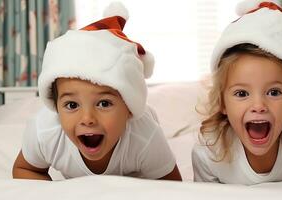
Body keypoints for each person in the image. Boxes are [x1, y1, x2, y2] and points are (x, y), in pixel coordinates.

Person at [12, 2, 182, 181]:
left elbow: (171, 185)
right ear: (56, 108)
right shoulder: (45, 131)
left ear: (129, 108)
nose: (87, 119)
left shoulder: (145, 137)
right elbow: (26, 169)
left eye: (104, 103)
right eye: (71, 105)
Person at [192, 0, 282, 185]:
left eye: (274, 92)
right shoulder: (209, 151)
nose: (259, 106)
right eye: (242, 94)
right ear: (222, 103)